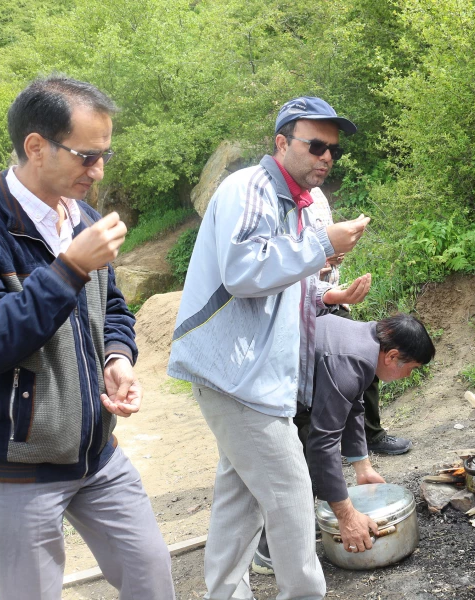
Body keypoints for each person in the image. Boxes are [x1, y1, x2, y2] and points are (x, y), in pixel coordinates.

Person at [0, 77, 174, 600]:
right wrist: (68, 268)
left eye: (105, 155)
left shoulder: (84, 218)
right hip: (15, 466)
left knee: (152, 573)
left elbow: (113, 307)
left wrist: (118, 356)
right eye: (87, 156)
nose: (99, 170)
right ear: (36, 146)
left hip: (96, 452)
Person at [167, 96, 372, 600]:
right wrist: (324, 244)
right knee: (291, 495)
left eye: (333, 150)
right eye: (315, 145)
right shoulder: (252, 188)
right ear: (281, 144)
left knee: (240, 503)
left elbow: (283, 281)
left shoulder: (296, 203)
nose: (326, 157)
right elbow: (243, 273)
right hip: (238, 376)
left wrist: (329, 293)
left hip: (256, 377)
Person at [251, 313, 435, 574]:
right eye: (411, 368)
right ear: (392, 356)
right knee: (290, 473)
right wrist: (346, 516)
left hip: (290, 392)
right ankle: (268, 552)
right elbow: (323, 442)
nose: (408, 375)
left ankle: (296, 524)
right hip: (259, 399)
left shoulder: (366, 340)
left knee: (306, 463)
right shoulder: (350, 361)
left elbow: (353, 405)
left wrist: (363, 466)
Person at [307, 192, 414, 455]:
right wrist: (315, 262)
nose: (324, 160)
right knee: (313, 376)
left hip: (332, 299)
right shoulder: (276, 199)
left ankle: (370, 436)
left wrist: (335, 254)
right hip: (302, 306)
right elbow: (277, 262)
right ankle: (320, 445)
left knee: (368, 358)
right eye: (317, 149)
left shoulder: (317, 194)